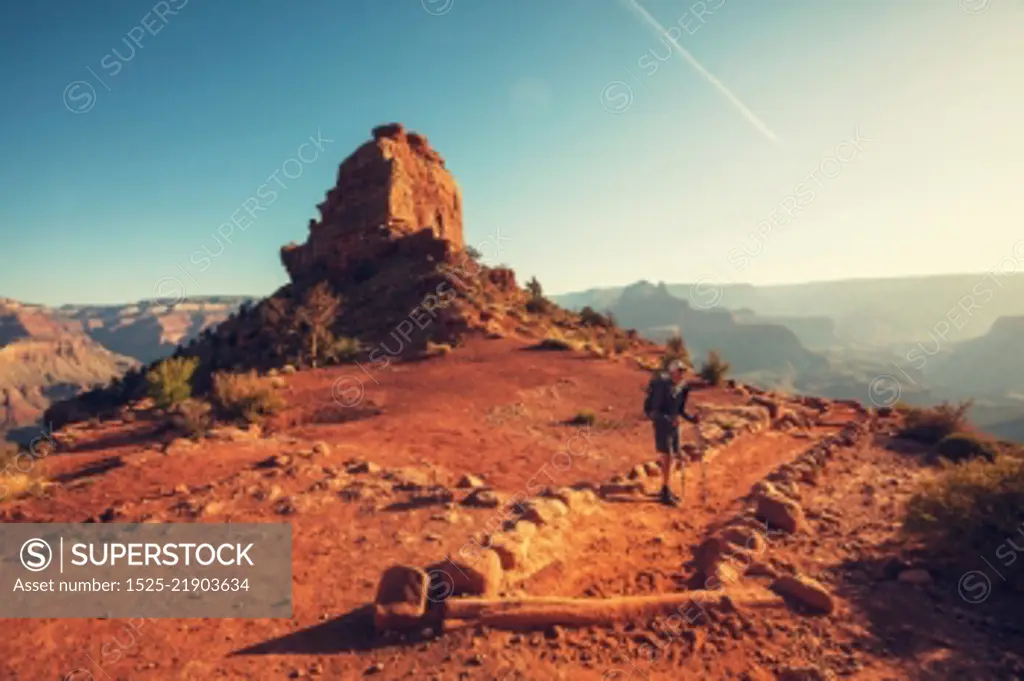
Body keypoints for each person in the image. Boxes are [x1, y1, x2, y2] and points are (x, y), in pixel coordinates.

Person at [646, 359, 701, 507]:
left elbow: (680, 410)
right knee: (667, 457)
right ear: (672, 372)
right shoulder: (662, 387)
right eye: (680, 371)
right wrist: (669, 420)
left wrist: (691, 419)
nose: (683, 374)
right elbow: (654, 412)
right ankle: (665, 491)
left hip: (674, 426)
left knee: (674, 456)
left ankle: (666, 488)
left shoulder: (682, 387)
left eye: (684, 371)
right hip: (662, 425)